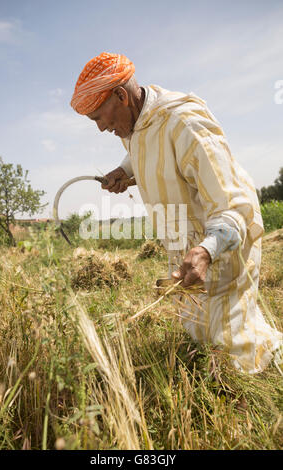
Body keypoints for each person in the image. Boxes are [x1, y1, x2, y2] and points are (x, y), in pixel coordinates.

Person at [70, 52, 283, 374]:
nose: (101, 128)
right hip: (187, 244)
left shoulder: (185, 123)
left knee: (229, 346)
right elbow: (145, 149)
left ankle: (253, 393)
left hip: (222, 243)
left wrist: (206, 250)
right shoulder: (139, 123)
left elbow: (234, 204)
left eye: (99, 117)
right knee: (197, 331)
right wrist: (124, 171)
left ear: (120, 95)